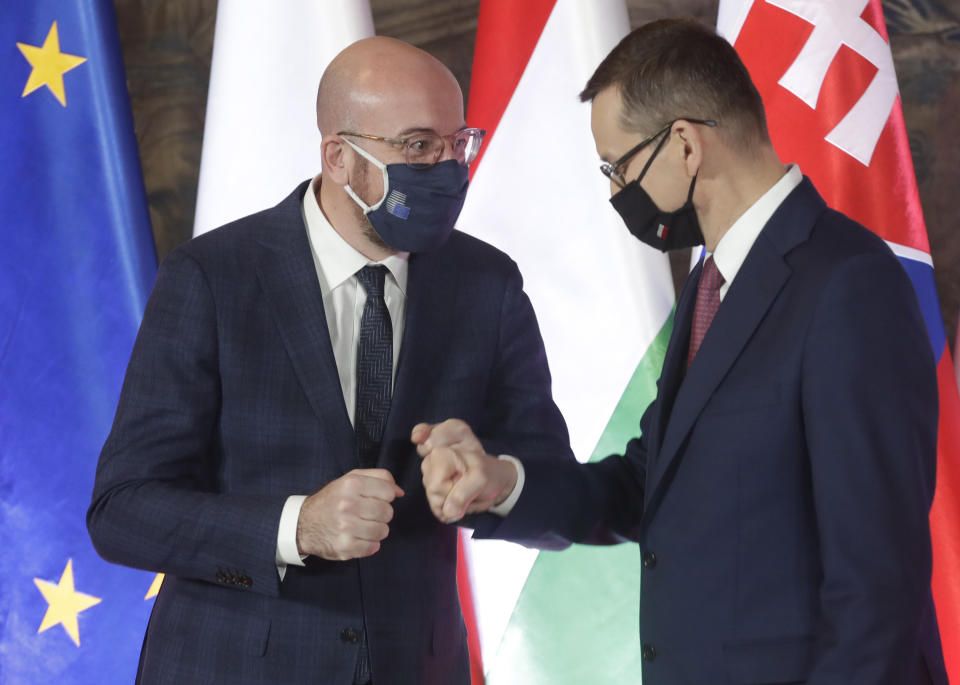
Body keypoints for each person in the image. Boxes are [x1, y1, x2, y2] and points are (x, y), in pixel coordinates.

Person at [414, 17, 948, 685]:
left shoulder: (849, 284)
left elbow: (877, 584)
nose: (613, 191)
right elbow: (649, 487)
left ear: (687, 145)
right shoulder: (712, 283)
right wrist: (503, 482)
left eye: (618, 166)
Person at [87, 36, 572, 685]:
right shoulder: (212, 278)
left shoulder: (487, 283)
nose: (448, 168)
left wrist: (499, 480)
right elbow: (122, 510)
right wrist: (296, 526)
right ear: (339, 157)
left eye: (459, 145)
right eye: (419, 146)